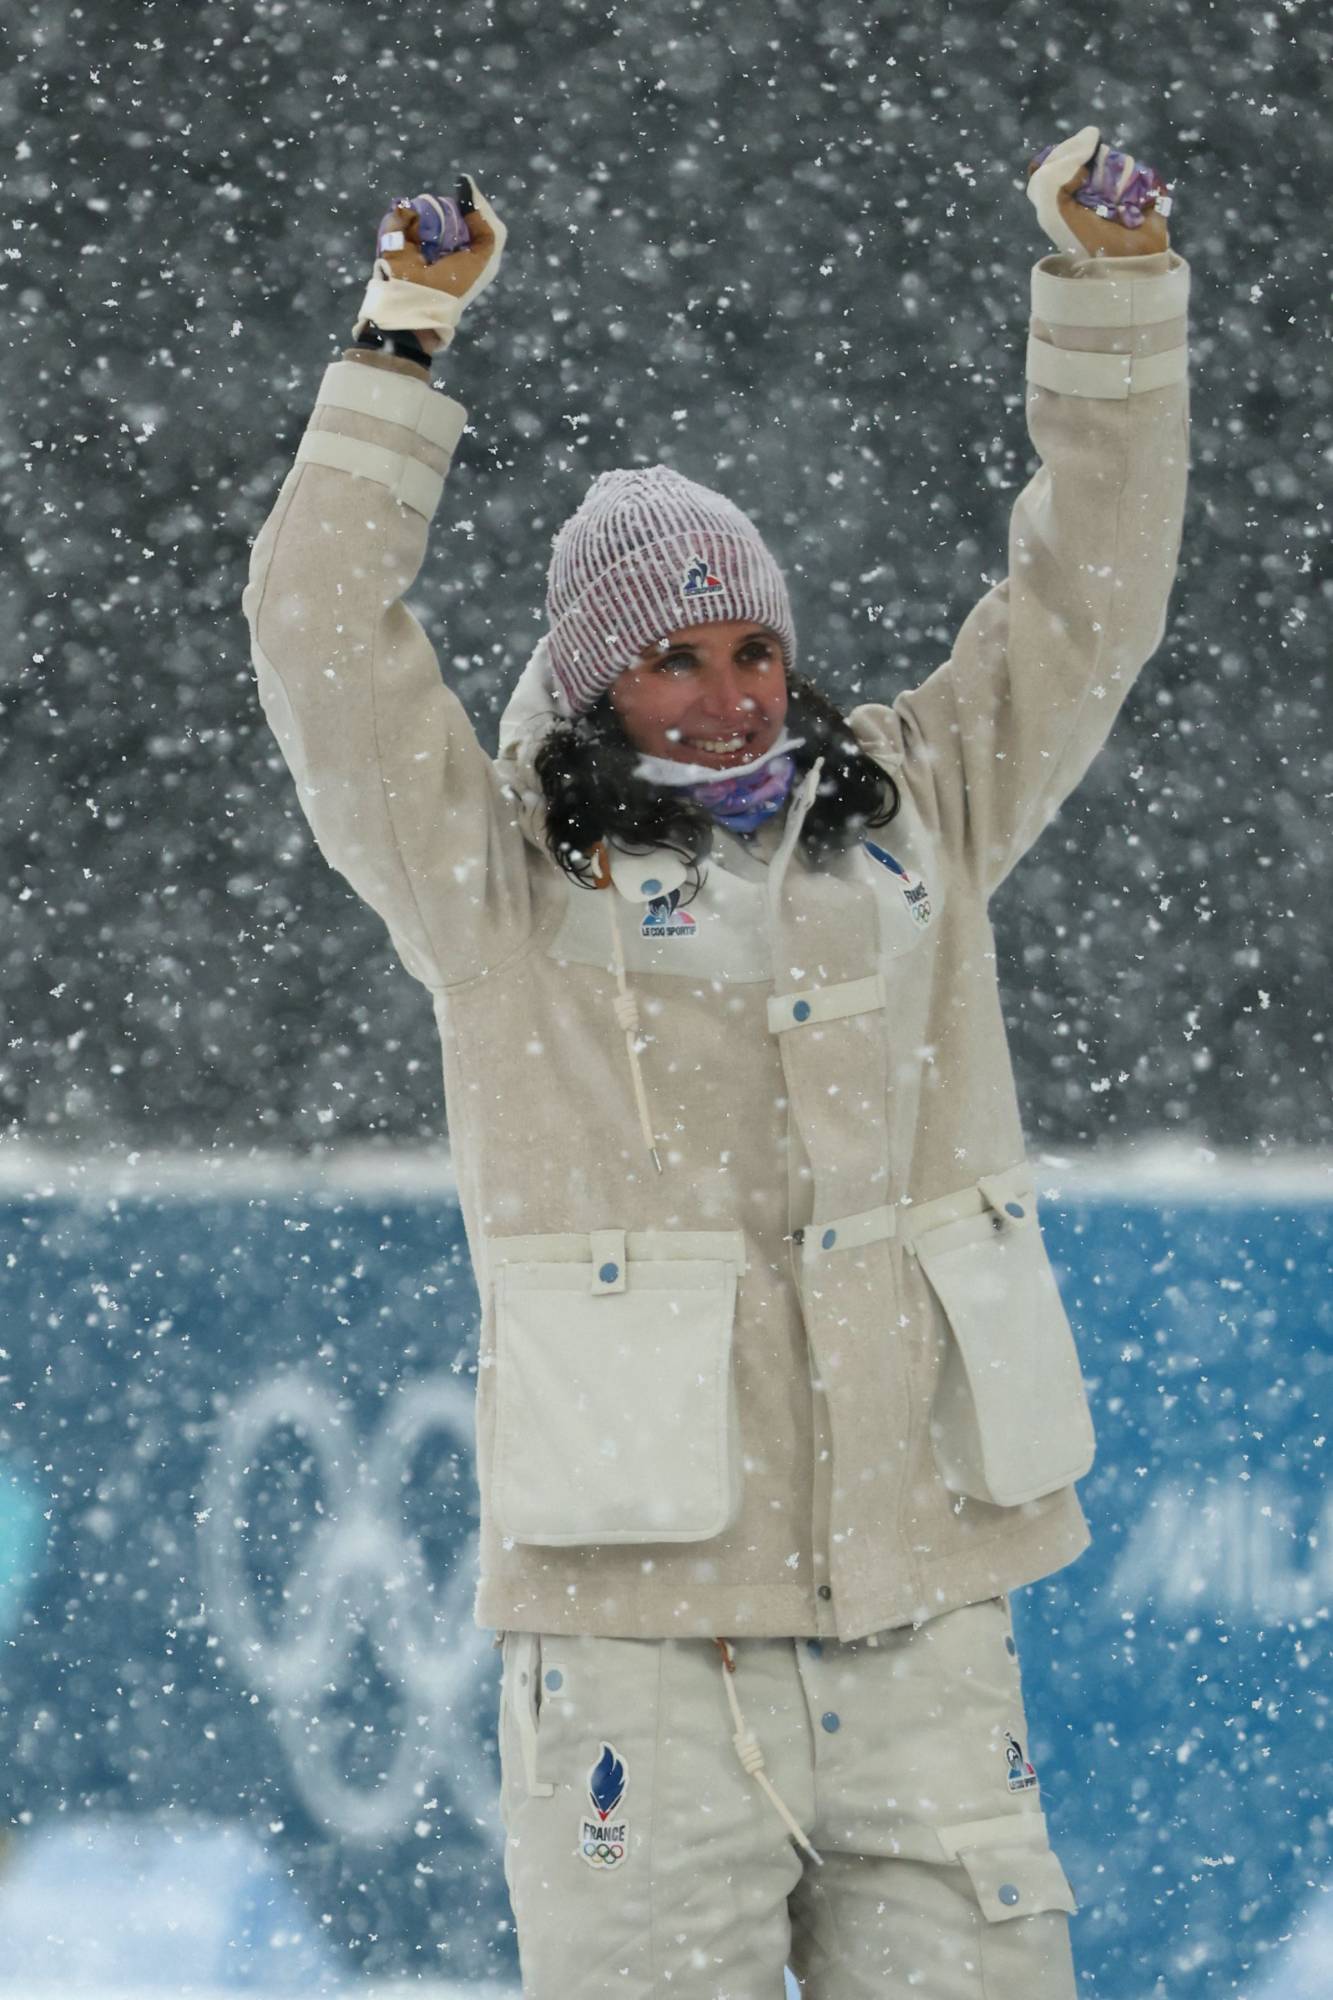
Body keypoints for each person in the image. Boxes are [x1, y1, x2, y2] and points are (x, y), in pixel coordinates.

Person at [242, 124, 1189, 1998]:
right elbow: (316, 633)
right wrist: (401, 335)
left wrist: (1116, 296)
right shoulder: (495, 879)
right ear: (593, 679)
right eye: (671, 657)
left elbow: (1091, 592)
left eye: (755, 643)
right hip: (641, 1667)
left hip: (923, 1624)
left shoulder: (918, 808)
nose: (729, 689)